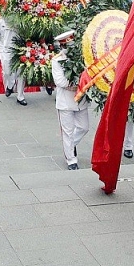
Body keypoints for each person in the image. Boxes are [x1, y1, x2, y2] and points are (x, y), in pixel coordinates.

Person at [51, 30, 89, 170]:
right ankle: (71, 160)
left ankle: (71, 145)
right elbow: (60, 81)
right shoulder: (57, 61)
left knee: (84, 127)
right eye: (66, 46)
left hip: (80, 100)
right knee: (67, 131)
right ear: (62, 46)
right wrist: (76, 84)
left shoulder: (82, 57)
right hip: (65, 102)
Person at [0, 11, 27, 105]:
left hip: (20, 48)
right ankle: (10, 85)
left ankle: (20, 96)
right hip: (5, 50)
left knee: (21, 72)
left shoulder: (21, 18)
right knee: (7, 72)